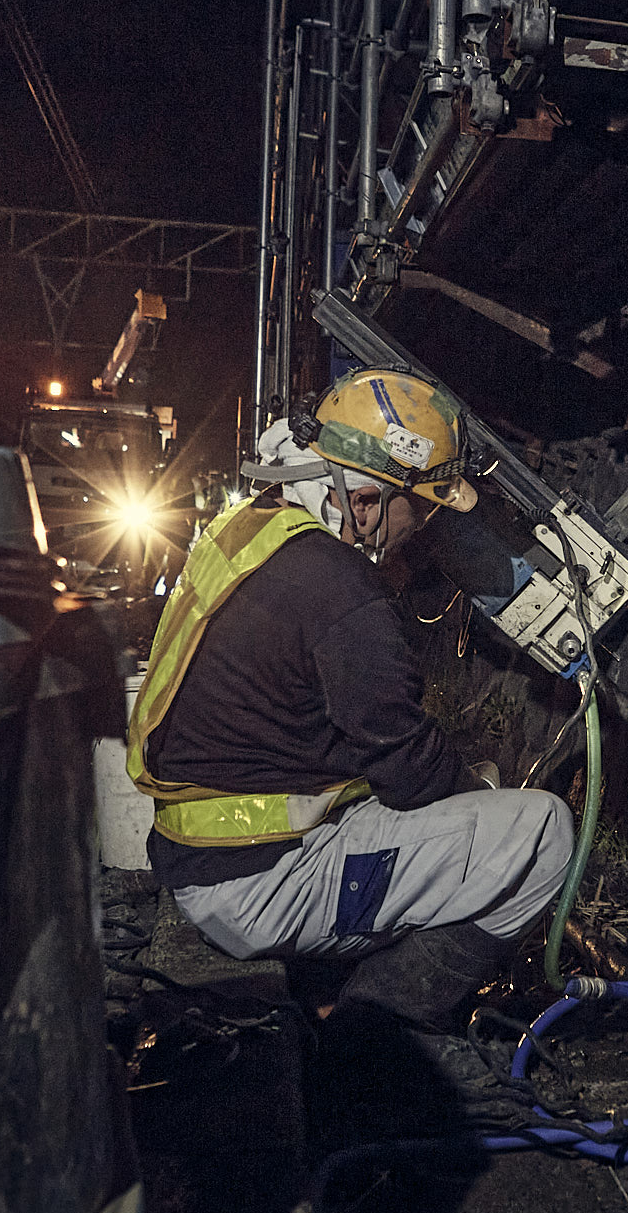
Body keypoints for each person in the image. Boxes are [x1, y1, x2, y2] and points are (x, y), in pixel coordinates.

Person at [124, 368, 572, 1127]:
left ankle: (350, 987)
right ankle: (390, 1035)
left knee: (468, 805)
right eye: (417, 512)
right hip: (254, 888)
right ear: (364, 500)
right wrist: (485, 794)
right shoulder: (346, 595)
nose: (420, 533)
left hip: (202, 852)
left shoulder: (255, 533)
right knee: (543, 833)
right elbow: (409, 770)